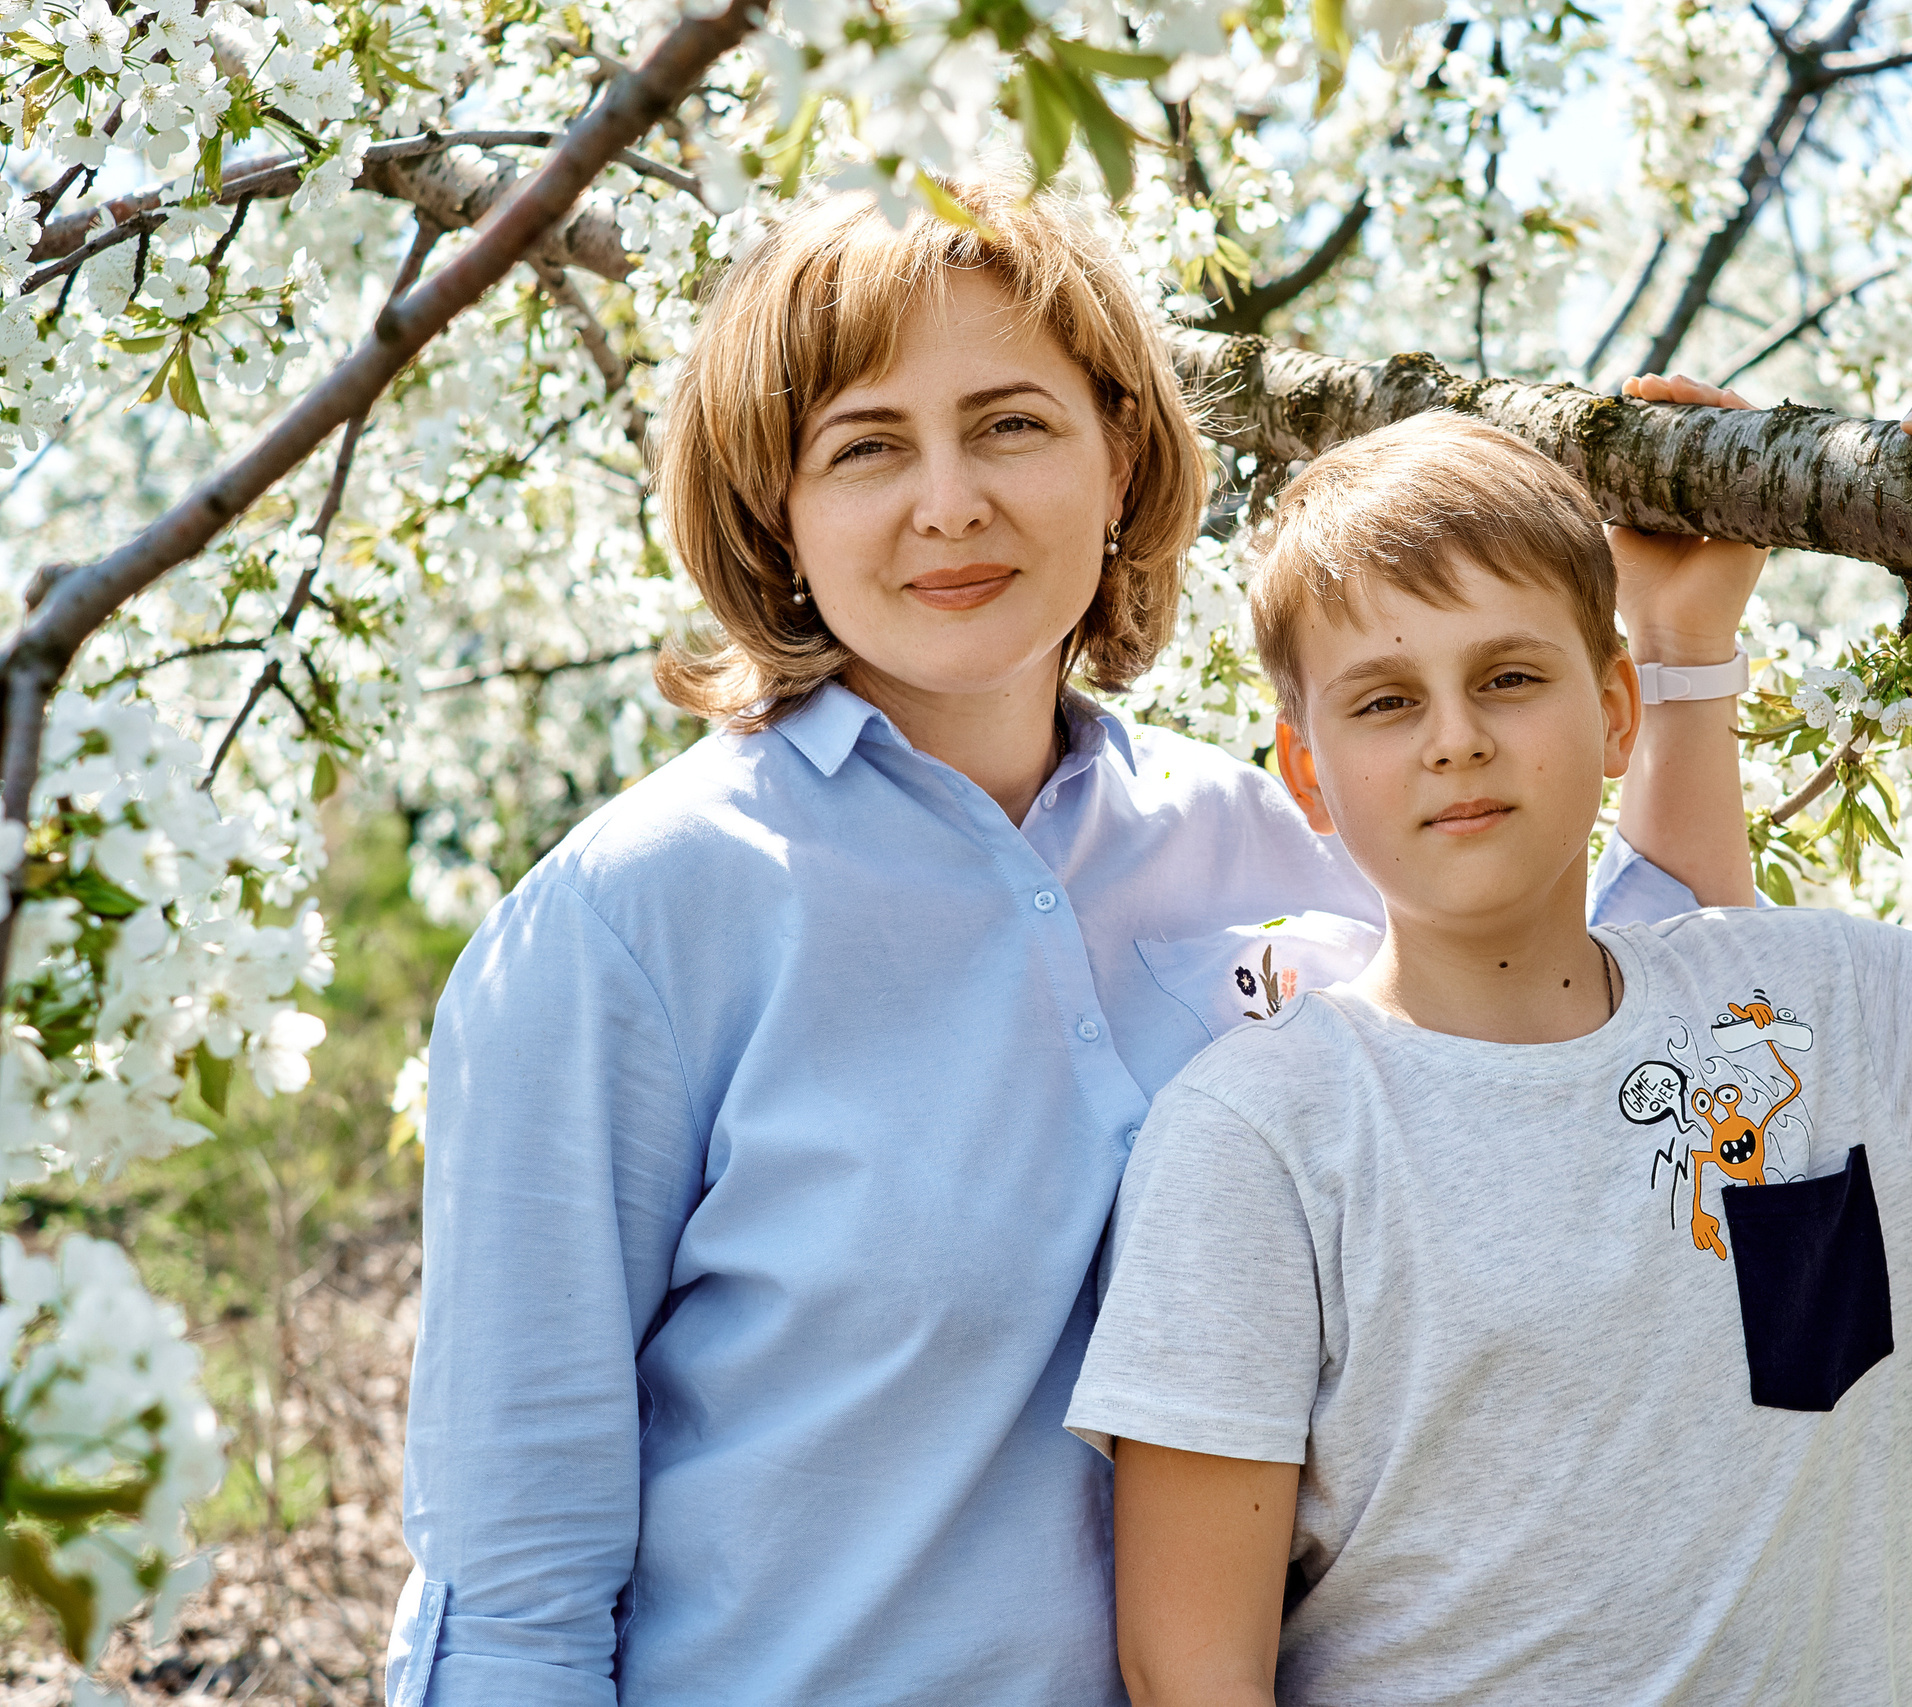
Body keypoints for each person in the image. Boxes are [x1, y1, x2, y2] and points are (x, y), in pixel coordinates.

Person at [383, 179, 1772, 1705]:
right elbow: (513, 1593)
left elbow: (1672, 999)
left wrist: (1688, 645)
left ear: (1121, 456)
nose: (949, 503)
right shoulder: (625, 930)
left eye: (1011, 424)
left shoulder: (1263, 837)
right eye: (865, 447)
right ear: (773, 508)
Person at [1066, 399, 1912, 1706]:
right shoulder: (1262, 1136)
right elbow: (1191, 1670)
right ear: (1308, 772)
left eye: (1508, 676)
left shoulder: (1820, 1013)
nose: (1456, 737)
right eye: (1384, 702)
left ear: (1617, 712)